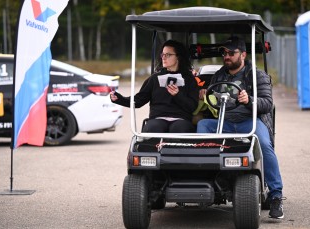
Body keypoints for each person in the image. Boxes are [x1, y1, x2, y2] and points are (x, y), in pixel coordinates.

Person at [197, 36, 284, 219]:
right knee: (203, 125)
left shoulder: (257, 75)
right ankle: (209, 180)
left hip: (250, 121)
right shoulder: (219, 75)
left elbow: (267, 103)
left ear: (243, 54)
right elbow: (211, 99)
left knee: (264, 144)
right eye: (224, 53)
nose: (226, 56)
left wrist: (249, 100)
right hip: (225, 121)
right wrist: (204, 93)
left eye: (231, 53)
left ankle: (276, 194)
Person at [110, 40, 199, 133]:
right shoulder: (154, 78)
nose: (163, 58)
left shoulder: (189, 79)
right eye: (162, 54)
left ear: (178, 57)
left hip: (181, 119)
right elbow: (139, 100)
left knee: (179, 128)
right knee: (154, 128)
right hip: (158, 118)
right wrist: (119, 99)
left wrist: (178, 95)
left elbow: (192, 107)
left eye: (168, 55)